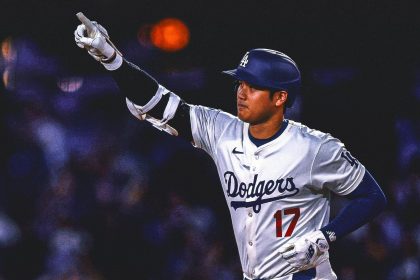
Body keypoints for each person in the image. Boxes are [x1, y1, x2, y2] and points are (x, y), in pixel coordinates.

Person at [74, 17, 387, 280]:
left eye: (252, 86)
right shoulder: (221, 131)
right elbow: (157, 102)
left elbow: (372, 196)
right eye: (240, 83)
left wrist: (324, 236)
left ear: (279, 98)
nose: (241, 92)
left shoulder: (316, 148)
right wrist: (111, 58)